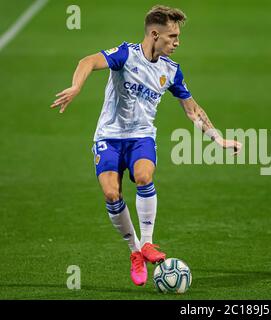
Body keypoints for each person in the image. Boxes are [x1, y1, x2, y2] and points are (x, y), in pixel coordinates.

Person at [51, 5, 241, 286]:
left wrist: (218, 138)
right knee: (111, 194)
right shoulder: (127, 55)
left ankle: (148, 243)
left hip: (141, 136)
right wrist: (77, 86)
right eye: (172, 37)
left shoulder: (171, 71)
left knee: (143, 176)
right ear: (154, 34)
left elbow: (192, 110)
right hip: (108, 137)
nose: (177, 42)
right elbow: (88, 61)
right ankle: (135, 252)